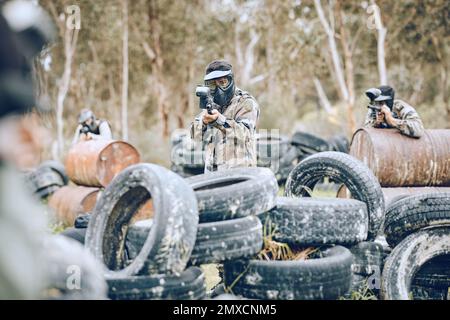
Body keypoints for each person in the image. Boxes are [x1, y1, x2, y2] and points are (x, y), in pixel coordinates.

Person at [190, 60, 260, 172]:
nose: (218, 88)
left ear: (231, 80)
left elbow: (245, 134)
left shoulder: (245, 102)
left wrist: (219, 120)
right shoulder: (210, 103)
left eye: (223, 82)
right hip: (213, 174)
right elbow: (195, 136)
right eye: (213, 85)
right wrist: (203, 122)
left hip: (240, 174)